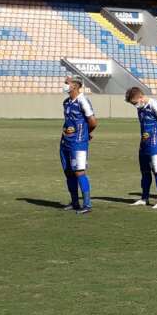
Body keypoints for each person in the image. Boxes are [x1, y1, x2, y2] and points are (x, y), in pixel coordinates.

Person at [126, 87, 157, 209]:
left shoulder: (153, 104)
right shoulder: (140, 107)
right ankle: (144, 198)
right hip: (144, 143)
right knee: (145, 172)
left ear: (140, 97)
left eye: (134, 102)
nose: (134, 105)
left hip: (156, 144)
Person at [60, 76, 97, 214]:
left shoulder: (83, 101)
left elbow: (93, 121)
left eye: (66, 83)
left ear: (74, 86)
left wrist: (87, 133)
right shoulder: (66, 102)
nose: (64, 85)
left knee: (79, 171)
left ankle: (87, 204)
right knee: (68, 172)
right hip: (65, 141)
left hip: (78, 142)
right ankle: (74, 202)